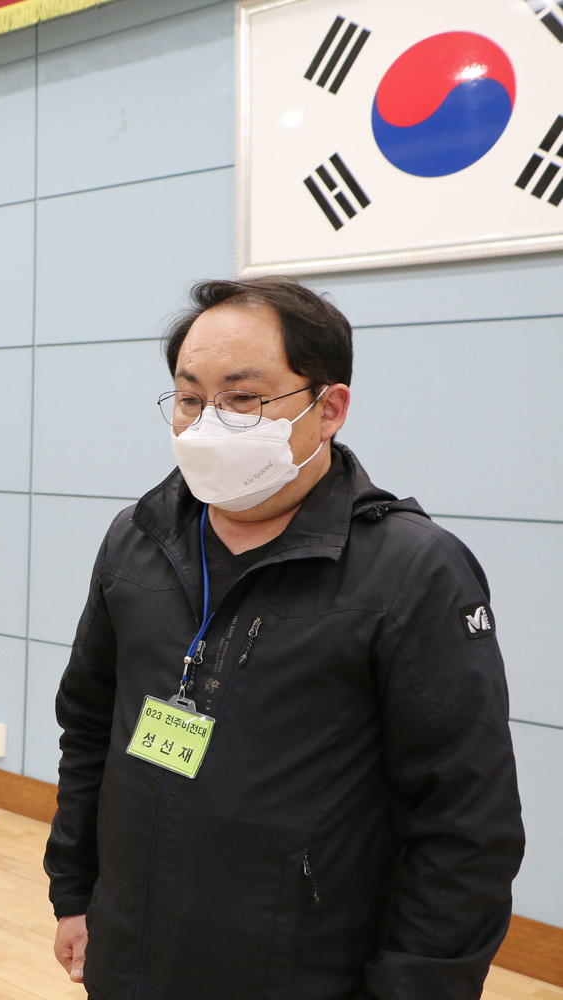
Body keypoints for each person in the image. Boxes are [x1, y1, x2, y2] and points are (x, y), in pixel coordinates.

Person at [44, 276, 524, 999]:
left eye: (244, 400)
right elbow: (87, 728)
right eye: (189, 398)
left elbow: (465, 821)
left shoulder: (413, 572)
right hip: (133, 951)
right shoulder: (137, 541)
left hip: (300, 970)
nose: (208, 423)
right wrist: (75, 890)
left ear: (328, 408)